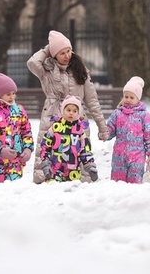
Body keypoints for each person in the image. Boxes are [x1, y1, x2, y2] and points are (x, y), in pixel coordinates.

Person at [26, 30, 108, 184]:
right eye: (61, 52)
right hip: (53, 114)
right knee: (48, 147)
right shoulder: (47, 71)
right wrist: (47, 49)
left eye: (68, 51)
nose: (67, 55)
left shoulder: (80, 71)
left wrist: (102, 127)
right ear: (53, 54)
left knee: (80, 150)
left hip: (77, 117)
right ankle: (47, 177)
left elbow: (92, 100)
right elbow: (32, 63)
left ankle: (82, 181)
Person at [105, 76, 150, 184]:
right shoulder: (117, 113)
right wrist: (104, 133)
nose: (128, 99)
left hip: (137, 155)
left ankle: (134, 198)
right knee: (117, 181)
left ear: (138, 98)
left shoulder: (144, 115)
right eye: (126, 96)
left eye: (131, 97)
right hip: (119, 155)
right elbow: (110, 129)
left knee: (135, 181)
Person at [0, 73, 34, 182]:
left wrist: (28, 148)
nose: (12, 97)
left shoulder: (19, 110)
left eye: (14, 93)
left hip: (15, 161)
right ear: (0, 94)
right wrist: (0, 150)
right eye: (8, 94)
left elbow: (26, 131)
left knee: (14, 190)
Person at [40, 95, 98, 182]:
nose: (71, 113)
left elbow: (85, 150)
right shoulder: (56, 127)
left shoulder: (80, 131)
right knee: (54, 190)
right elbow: (45, 144)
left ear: (78, 113)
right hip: (55, 169)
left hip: (73, 171)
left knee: (71, 191)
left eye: (74, 111)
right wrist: (46, 163)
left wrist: (90, 166)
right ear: (63, 110)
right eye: (68, 110)